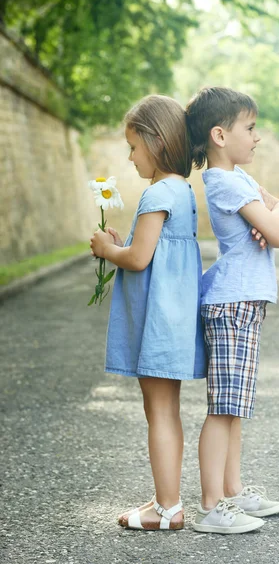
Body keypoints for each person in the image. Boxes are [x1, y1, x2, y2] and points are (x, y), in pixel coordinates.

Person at [90, 95, 206, 531]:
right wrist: (123, 245)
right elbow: (153, 252)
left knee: (157, 412)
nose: (130, 156)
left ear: (157, 142)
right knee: (166, 411)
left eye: (134, 147)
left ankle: (168, 508)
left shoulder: (158, 191)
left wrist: (107, 248)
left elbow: (138, 259)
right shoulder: (182, 189)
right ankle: (166, 500)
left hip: (157, 323)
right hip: (174, 320)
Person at [185, 87, 279, 534]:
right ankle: (213, 504)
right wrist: (273, 219)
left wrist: (274, 217)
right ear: (219, 135)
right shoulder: (226, 182)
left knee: (234, 406)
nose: (257, 137)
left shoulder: (240, 180)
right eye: (249, 128)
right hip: (231, 303)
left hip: (245, 302)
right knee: (222, 408)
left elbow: (278, 212)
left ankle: (232, 489)